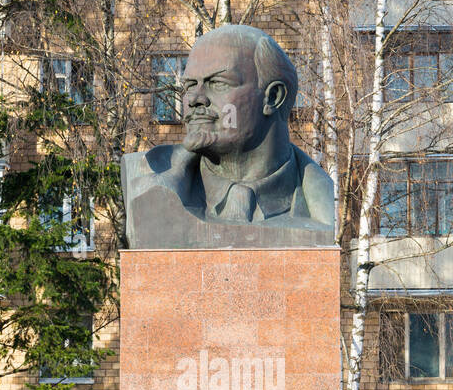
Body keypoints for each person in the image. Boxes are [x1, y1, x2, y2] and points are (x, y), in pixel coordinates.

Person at [121, 24, 335, 248]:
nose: (194, 99)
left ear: (273, 97)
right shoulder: (144, 179)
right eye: (190, 85)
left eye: (217, 83)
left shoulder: (322, 204)